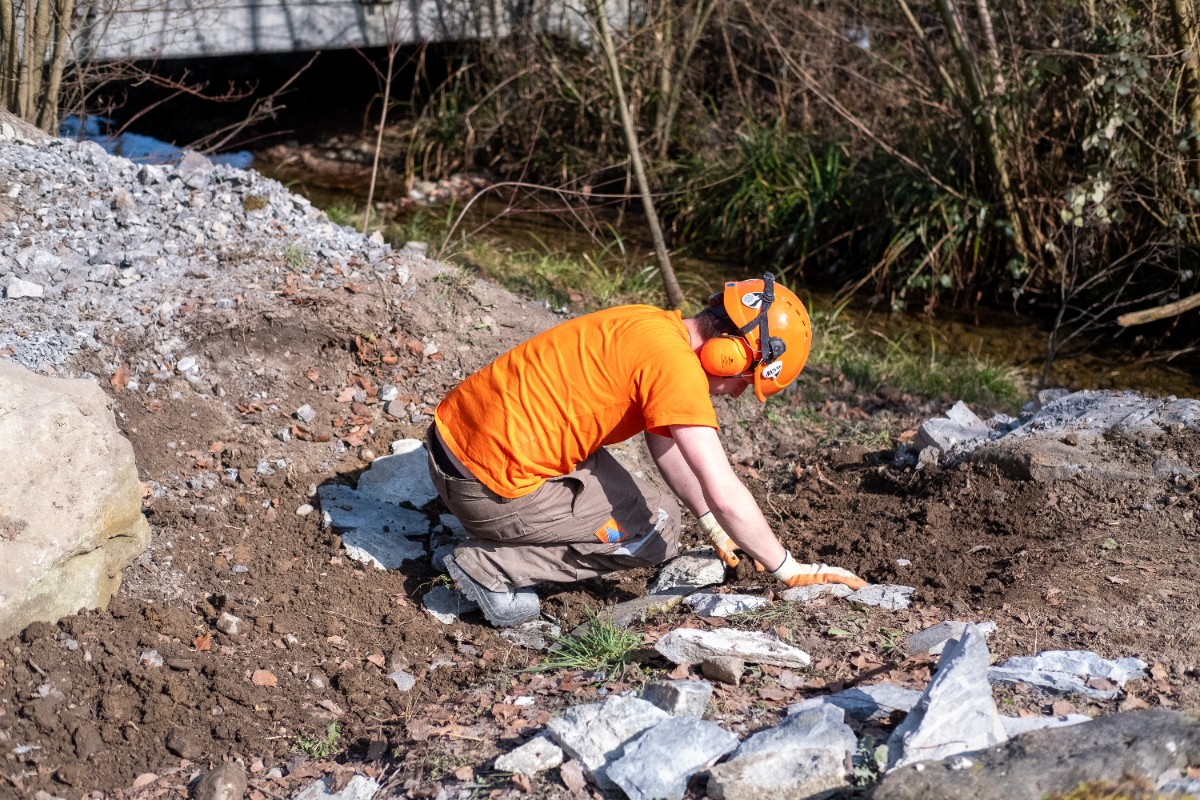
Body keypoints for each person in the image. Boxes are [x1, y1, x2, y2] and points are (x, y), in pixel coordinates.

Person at [425, 273, 867, 627]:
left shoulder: (653, 324)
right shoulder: (676, 369)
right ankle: (490, 567)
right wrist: (788, 569)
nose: (735, 394)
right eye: (745, 382)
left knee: (661, 510)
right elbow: (725, 487)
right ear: (727, 357)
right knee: (656, 533)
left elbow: (665, 440)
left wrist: (711, 521)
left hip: (452, 443)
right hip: (484, 486)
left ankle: (499, 532)